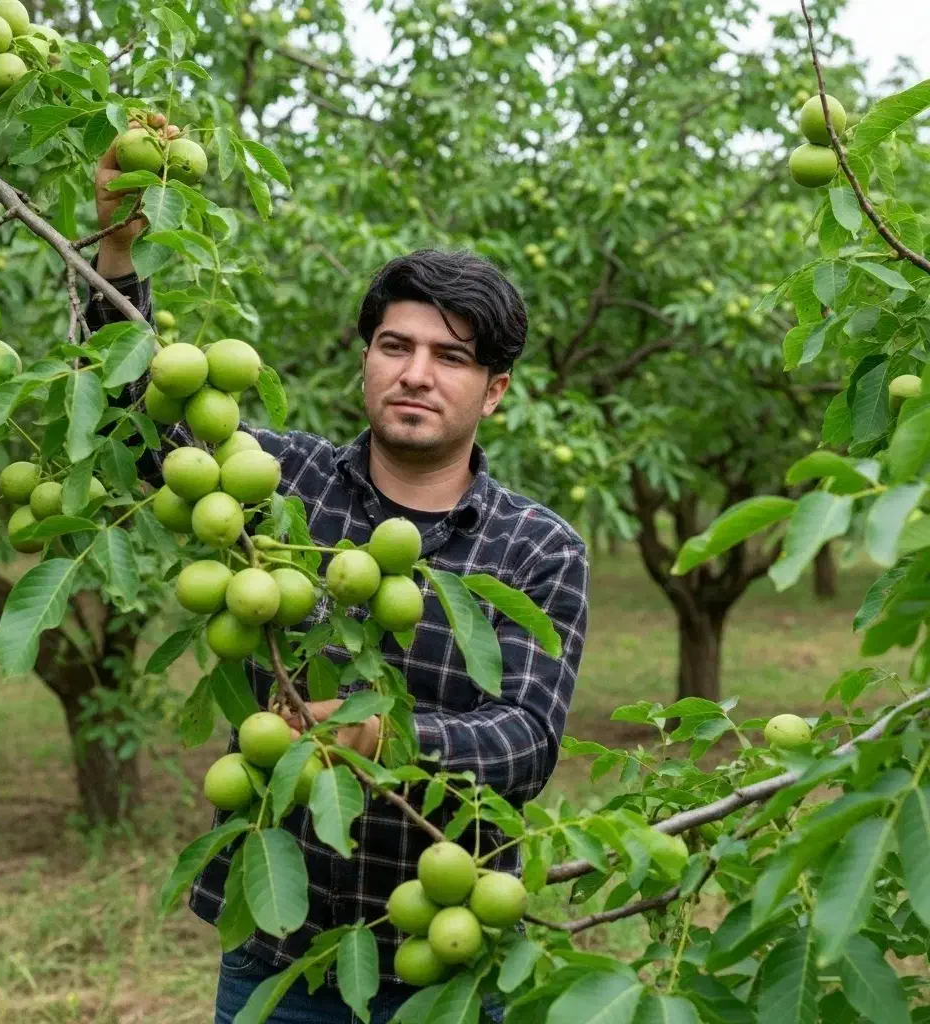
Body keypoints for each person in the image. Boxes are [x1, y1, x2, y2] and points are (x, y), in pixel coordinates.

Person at [85, 125, 589, 1024]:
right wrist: (119, 252)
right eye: (396, 347)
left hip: (450, 961)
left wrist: (381, 738)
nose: (417, 375)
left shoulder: (538, 547)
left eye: (452, 357)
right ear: (365, 361)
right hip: (280, 959)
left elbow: (526, 740)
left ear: (496, 390)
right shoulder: (277, 480)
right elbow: (136, 429)